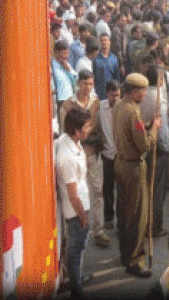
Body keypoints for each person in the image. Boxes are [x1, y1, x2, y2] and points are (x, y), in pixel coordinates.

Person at [112, 73, 162, 278]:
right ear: (133, 93)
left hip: (120, 163)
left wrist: (148, 125)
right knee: (138, 216)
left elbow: (131, 133)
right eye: (142, 91)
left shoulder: (118, 106)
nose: (144, 95)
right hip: (134, 168)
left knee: (124, 213)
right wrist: (155, 130)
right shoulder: (133, 112)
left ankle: (125, 254)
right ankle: (135, 260)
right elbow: (144, 145)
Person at [58, 69, 109, 248]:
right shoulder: (67, 105)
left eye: (90, 84)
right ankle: (73, 232)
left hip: (93, 153)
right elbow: (65, 133)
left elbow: (102, 127)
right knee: (75, 194)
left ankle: (99, 230)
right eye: (85, 83)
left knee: (97, 191)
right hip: (74, 156)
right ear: (78, 83)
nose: (88, 87)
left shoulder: (96, 102)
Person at [54, 109, 93, 299]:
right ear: (77, 130)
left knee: (76, 249)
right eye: (86, 126)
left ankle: (76, 277)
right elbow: (72, 194)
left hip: (80, 205)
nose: (89, 129)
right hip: (77, 212)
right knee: (76, 250)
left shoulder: (66, 141)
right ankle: (77, 289)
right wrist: (83, 217)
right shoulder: (67, 157)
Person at [139, 64, 169, 238]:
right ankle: (155, 227)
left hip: (144, 146)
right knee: (157, 191)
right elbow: (163, 128)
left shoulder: (143, 96)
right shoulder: (159, 99)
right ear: (159, 79)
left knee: (146, 189)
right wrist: (166, 148)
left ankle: (145, 224)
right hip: (157, 148)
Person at [97, 80, 120, 231]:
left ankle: (121, 218)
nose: (115, 98)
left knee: (122, 189)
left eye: (117, 95)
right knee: (107, 188)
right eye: (112, 95)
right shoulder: (100, 107)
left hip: (121, 154)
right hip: (107, 154)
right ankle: (108, 218)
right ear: (107, 94)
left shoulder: (124, 108)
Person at [93, 33, 120, 101]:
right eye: (101, 40)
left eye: (105, 40)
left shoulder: (114, 58)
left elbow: (116, 77)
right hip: (99, 94)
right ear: (98, 42)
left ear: (109, 42)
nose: (104, 42)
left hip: (112, 94)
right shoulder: (95, 58)